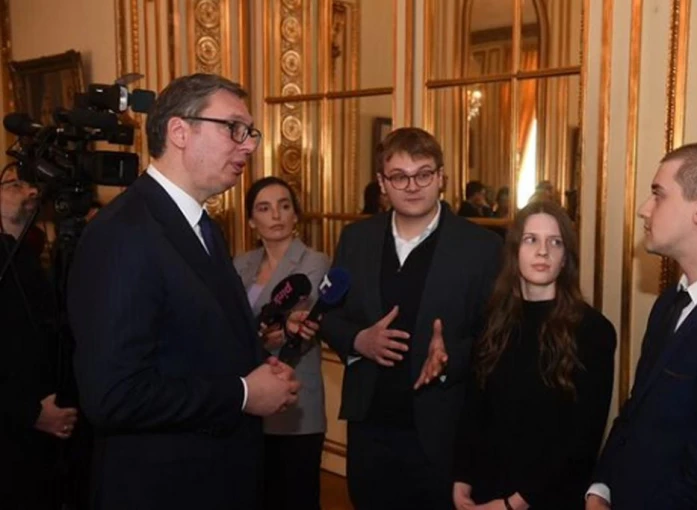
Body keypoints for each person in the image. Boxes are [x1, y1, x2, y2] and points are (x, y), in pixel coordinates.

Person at [67, 73, 300, 510]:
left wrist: (259, 367)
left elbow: (195, 339)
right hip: (161, 487)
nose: (248, 145)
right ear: (179, 131)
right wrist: (244, 393)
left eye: (250, 132)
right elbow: (113, 396)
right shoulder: (123, 233)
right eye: (233, 128)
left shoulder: (202, 226)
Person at [321, 127, 502, 509]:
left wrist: (451, 357)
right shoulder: (356, 239)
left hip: (444, 432)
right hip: (370, 429)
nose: (413, 186)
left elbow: (497, 338)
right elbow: (328, 315)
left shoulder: (482, 247)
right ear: (382, 183)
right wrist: (358, 341)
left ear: (441, 178)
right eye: (399, 177)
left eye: (423, 174)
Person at [587, 142, 697, 510]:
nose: (644, 208)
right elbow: (636, 411)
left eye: (658, 194)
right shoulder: (671, 301)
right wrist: (601, 488)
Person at [453, 200, 616, 510]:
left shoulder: (593, 330)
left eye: (555, 242)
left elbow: (582, 438)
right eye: (531, 240)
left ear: (565, 258)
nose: (543, 251)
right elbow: (474, 410)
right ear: (514, 252)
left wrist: (515, 503)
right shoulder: (492, 322)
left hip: (549, 498)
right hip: (487, 494)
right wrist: (461, 479)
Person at [233, 177, 329, 510]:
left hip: (295, 399)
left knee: (296, 496)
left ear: (295, 214)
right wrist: (260, 335)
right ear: (251, 220)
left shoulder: (314, 262)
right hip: (248, 400)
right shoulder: (240, 265)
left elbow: (297, 324)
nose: (276, 215)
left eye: (284, 206)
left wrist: (258, 334)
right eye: (264, 208)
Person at [1, 167, 78, 509]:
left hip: (46, 445)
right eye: (14, 185)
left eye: (31, 185)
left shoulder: (33, 260)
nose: (30, 191)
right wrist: (31, 413)